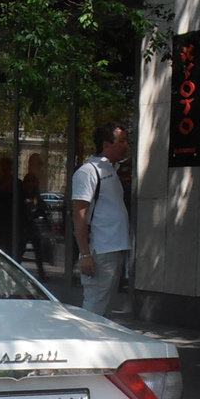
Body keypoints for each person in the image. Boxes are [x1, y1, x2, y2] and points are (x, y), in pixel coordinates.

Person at [72, 122, 133, 317]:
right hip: (101, 252)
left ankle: (97, 344)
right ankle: (85, 344)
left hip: (115, 250)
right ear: (106, 145)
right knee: (95, 309)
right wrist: (85, 255)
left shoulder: (112, 171)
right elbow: (79, 214)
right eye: (121, 141)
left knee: (104, 309)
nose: (126, 145)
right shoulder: (88, 172)